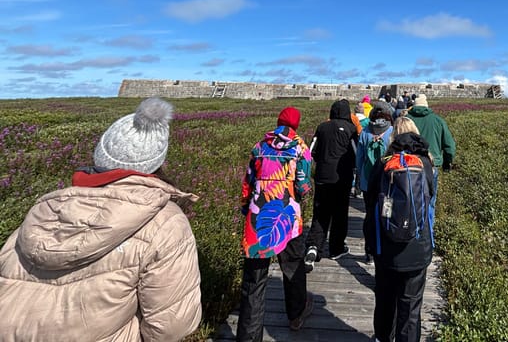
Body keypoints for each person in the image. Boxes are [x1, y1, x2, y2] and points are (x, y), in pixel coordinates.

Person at [0, 97, 202, 342]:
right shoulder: (166, 223)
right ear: (157, 161)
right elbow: (172, 326)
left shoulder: (46, 208)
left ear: (101, 153)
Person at [237, 106, 314, 339]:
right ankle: (296, 315)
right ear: (297, 124)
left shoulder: (259, 146)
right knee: (293, 266)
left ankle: (248, 336)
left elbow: (247, 183)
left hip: (257, 217)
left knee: (254, 280)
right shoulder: (301, 148)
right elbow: (303, 186)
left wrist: (245, 207)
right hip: (287, 216)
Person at [364, 127, 435, 342]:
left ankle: (383, 337)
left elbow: (370, 202)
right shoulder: (426, 165)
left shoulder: (383, 163)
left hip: (385, 247)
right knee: (411, 307)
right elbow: (430, 200)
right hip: (417, 248)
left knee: (385, 300)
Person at [305, 98, 358, 267]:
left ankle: (313, 246)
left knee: (320, 213)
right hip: (342, 179)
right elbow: (357, 154)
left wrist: (322, 160)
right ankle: (336, 248)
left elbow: (310, 151)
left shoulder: (322, 127)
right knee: (340, 213)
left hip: (322, 177)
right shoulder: (351, 129)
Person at [355, 103, 394, 263]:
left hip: (367, 182)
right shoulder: (391, 132)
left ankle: (369, 251)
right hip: (387, 183)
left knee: (370, 215)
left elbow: (359, 159)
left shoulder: (365, 132)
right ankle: (384, 249)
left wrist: (359, 177)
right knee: (387, 214)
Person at [407, 94, 456, 171]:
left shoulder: (405, 120)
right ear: (426, 106)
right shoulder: (438, 121)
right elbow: (449, 146)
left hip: (410, 164)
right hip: (432, 163)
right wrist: (446, 164)